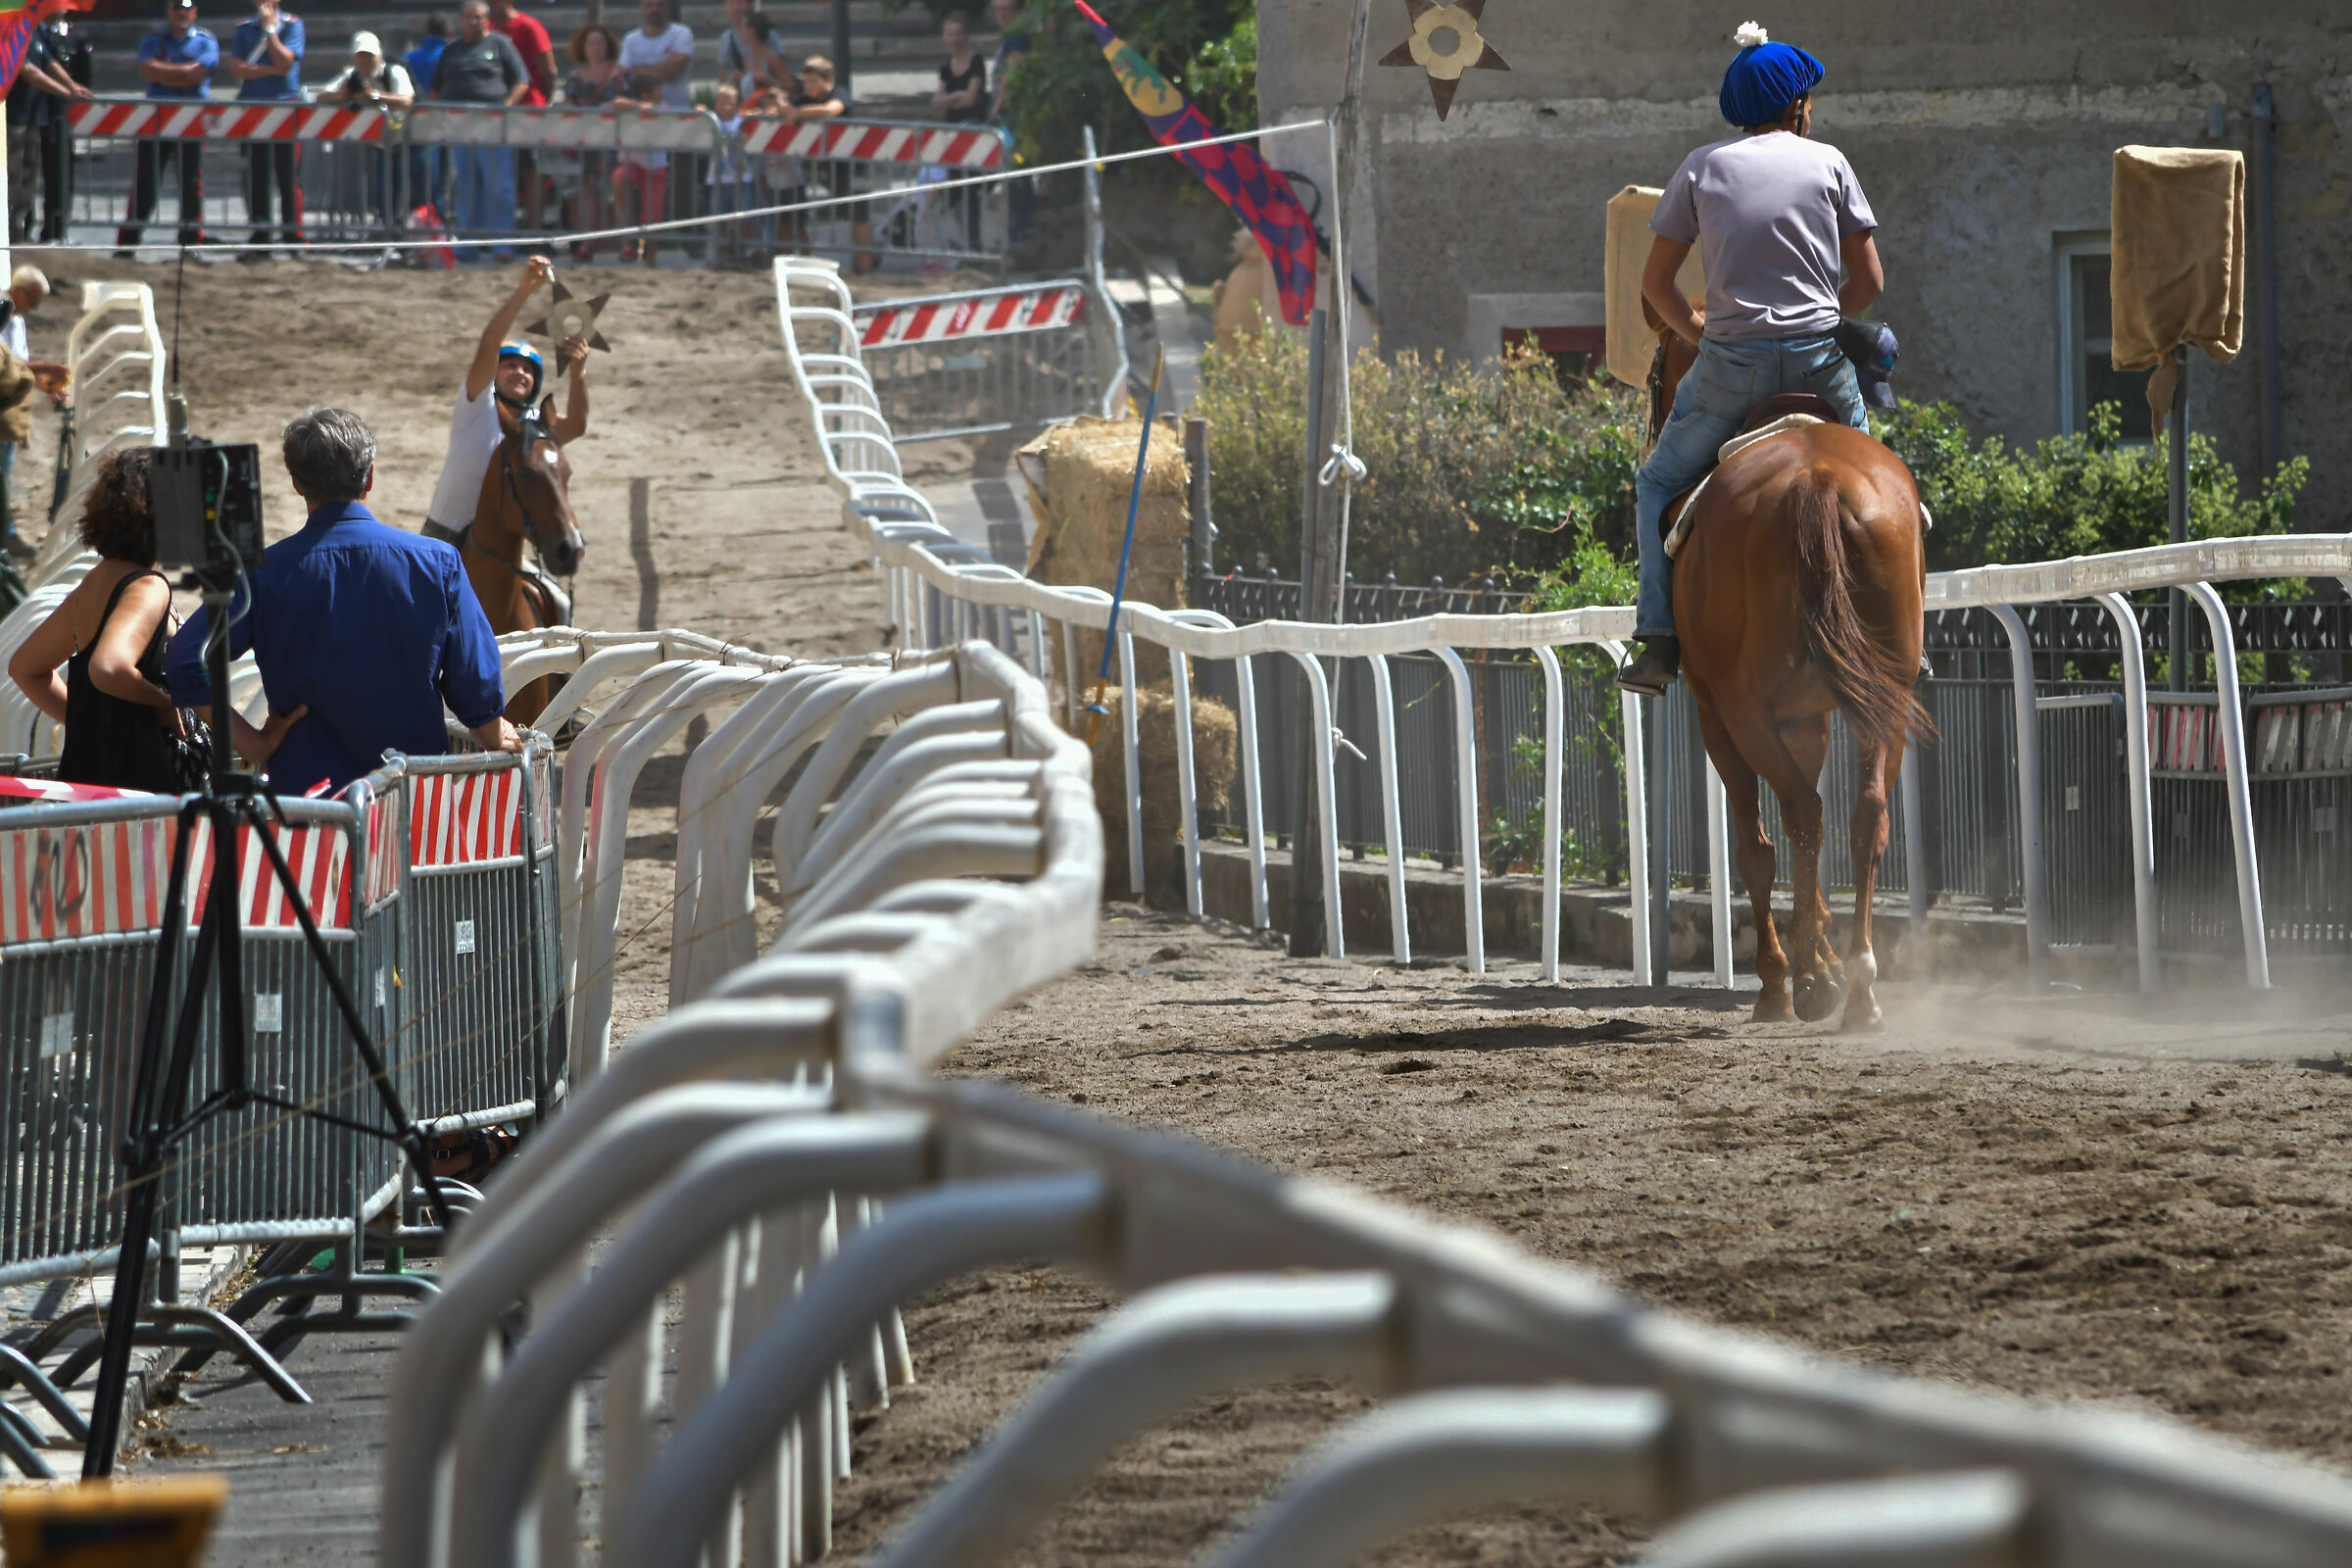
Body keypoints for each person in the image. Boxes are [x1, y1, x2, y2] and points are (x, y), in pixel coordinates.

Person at [1614, 24, 1883, 699]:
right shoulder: (1831, 163)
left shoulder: (1701, 167)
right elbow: (1871, 282)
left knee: (1656, 485)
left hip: (1732, 367)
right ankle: (1891, 627)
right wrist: (1825, 316)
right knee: (1880, 485)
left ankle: (1655, 640)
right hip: (1822, 362)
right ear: (1797, 107)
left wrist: (1700, 333)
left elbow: (1656, 285)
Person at [166, 408, 515, 793]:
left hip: (307, 814)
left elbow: (186, 657)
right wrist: (494, 732)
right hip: (409, 804)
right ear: (369, 477)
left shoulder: (262, 576)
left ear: (297, 483)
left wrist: (252, 741)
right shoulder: (439, 563)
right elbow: (477, 693)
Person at [7, 450, 197, 792]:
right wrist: (165, 704)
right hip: (140, 789)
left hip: (86, 784)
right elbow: (108, 668)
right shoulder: (147, 586)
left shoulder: (94, 583)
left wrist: (84, 723)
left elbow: (25, 668)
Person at [423, 257, 590, 552]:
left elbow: (576, 425)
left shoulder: (537, 426)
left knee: (558, 601)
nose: (519, 372)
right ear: (494, 372)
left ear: (535, 382)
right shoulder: (475, 405)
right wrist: (524, 291)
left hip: (500, 556)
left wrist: (578, 373)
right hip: (441, 543)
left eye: (527, 369)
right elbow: (489, 344)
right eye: (509, 365)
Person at [117, 0, 217, 254]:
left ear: (195, 11)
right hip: (156, 122)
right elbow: (147, 70)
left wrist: (166, 73)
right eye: (176, 7)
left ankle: (190, 242)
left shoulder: (206, 41)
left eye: (187, 7)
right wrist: (182, 73)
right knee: (146, 183)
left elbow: (200, 73)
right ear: (168, 11)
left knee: (191, 183)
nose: (181, 12)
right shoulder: (153, 40)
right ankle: (129, 242)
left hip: (192, 122)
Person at [430, 1, 530, 250]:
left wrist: (505, 106)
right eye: (467, 17)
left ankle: (502, 245)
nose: (472, 21)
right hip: (459, 127)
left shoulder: (500, 45)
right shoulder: (451, 50)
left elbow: (521, 81)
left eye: (477, 17)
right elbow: (435, 87)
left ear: (487, 20)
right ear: (460, 20)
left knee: (498, 187)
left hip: (492, 126)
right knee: (464, 187)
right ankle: (466, 245)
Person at [614, 0, 693, 266]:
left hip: (672, 138)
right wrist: (641, 103)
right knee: (619, 183)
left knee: (661, 206)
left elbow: (673, 70)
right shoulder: (631, 40)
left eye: (659, 4)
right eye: (649, 4)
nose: (654, 9)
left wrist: (641, 71)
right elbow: (622, 82)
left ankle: (661, 253)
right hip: (634, 160)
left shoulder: (681, 34)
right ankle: (628, 243)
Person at [225, 0, 304, 257]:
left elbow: (286, 63)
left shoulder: (292, 26)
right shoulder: (244, 29)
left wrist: (270, 30)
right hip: (254, 109)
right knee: (257, 175)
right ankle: (261, 236)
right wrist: (271, 70)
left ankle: (293, 237)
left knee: (288, 176)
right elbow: (236, 69)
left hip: (284, 108)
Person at [0, 269, 69, 563]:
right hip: (3, 404)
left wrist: (48, 387)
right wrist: (47, 369)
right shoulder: (2, 316)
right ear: (19, 290)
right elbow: (10, 366)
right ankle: (8, 535)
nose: (35, 308)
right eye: (34, 299)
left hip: (11, 409)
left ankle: (8, 534)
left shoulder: (16, 321)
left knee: (5, 473)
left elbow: (23, 366)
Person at [319, 32, 413, 241]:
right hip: (376, 146)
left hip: (403, 142)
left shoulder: (394, 72)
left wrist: (376, 96)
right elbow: (322, 95)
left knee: (403, 193)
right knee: (379, 193)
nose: (365, 61)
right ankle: (384, 231)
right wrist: (341, 95)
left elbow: (407, 100)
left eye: (369, 55)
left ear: (379, 55)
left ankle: (400, 233)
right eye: (360, 56)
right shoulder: (351, 75)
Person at [7, 19, 89, 245]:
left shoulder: (30, 31)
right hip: (14, 117)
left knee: (28, 181)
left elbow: (48, 62)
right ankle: (11, 235)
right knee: (12, 181)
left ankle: (21, 233)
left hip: (33, 117)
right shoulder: (11, 30)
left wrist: (72, 87)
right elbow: (29, 70)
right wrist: (64, 91)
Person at [485, 0, 555, 230]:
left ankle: (534, 231)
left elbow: (549, 71)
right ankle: (499, 230)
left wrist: (543, 100)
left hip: (527, 111)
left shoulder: (528, 26)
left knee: (531, 172)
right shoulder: (486, 29)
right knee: (497, 173)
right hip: (496, 112)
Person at [562, 24, 625, 256]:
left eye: (600, 43)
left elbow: (628, 103)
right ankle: (587, 242)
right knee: (586, 192)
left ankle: (624, 243)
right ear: (583, 47)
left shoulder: (620, 75)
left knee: (617, 192)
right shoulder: (575, 78)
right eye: (591, 43)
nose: (596, 48)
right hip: (585, 143)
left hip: (615, 142)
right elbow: (568, 108)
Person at [930, 11, 986, 254]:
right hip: (951, 135)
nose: (954, 38)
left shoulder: (976, 62)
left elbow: (972, 98)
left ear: (966, 35)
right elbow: (936, 102)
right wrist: (955, 97)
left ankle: (973, 241)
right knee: (953, 189)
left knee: (970, 189)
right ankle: (958, 241)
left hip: (971, 132)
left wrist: (948, 99)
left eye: (958, 33)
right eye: (949, 33)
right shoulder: (946, 68)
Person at [987, 0, 1031, 246]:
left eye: (1007, 9)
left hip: (1012, 115)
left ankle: (1021, 225)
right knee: (1012, 172)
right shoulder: (1011, 36)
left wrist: (997, 106)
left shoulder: (1017, 38)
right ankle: (1017, 224)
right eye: (998, 9)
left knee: (1017, 171)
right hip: (1009, 115)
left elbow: (1011, 73)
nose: (1001, 14)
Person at [405, 14, 451, 218]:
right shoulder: (449, 56)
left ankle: (419, 222)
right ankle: (436, 227)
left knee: (418, 184)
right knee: (440, 185)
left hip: (415, 125)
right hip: (444, 126)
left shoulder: (409, 59)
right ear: (449, 34)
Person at [717, 0, 789, 102]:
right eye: (731, 2)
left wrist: (767, 80)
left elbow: (788, 87)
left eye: (740, 2)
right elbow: (723, 78)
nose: (736, 7)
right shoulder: (746, 57)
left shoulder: (771, 54)